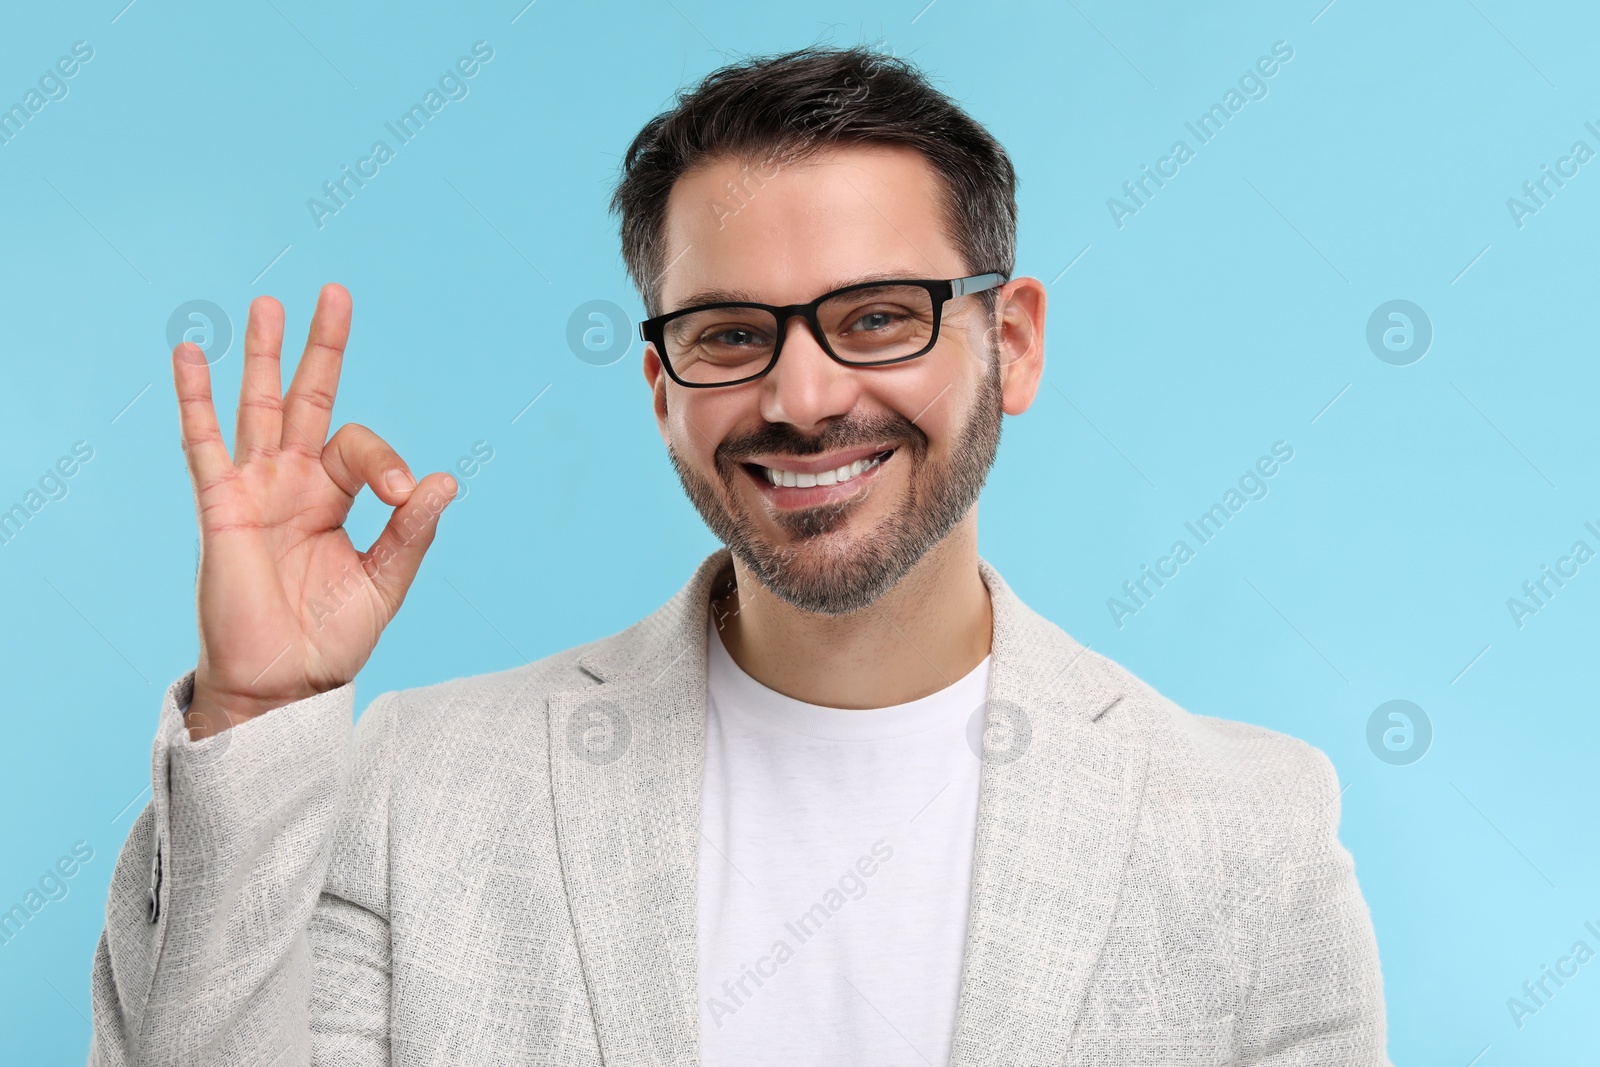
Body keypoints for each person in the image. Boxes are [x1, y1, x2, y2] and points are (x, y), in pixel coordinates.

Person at [88, 45, 1386, 1066]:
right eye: (727, 333)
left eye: (879, 317)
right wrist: (256, 711)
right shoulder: (413, 792)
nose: (806, 396)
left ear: (1016, 341)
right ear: (662, 388)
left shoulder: (1248, 834)